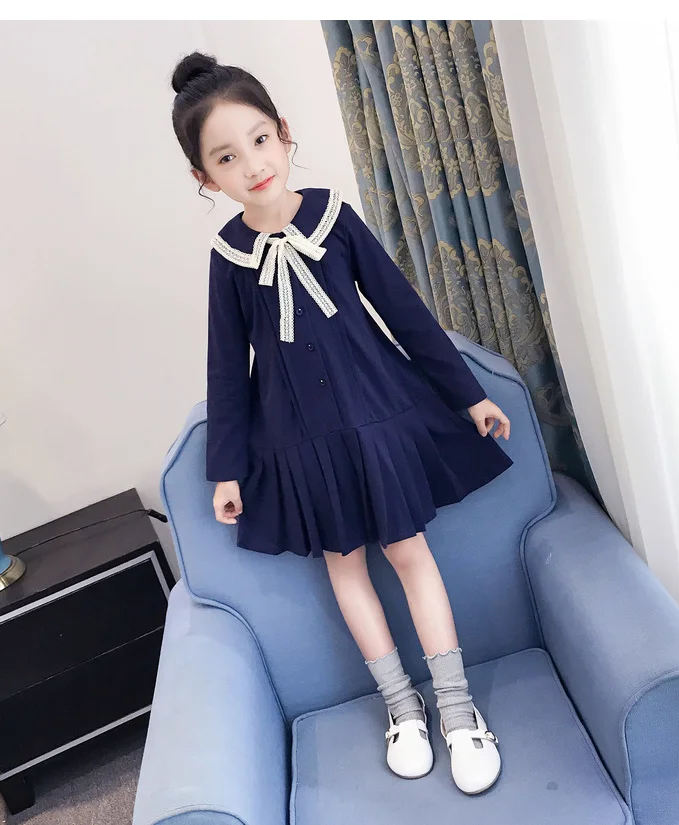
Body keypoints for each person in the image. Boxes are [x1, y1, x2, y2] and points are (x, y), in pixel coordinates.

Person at [170, 50, 514, 796]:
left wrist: (468, 396)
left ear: (284, 133)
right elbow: (226, 369)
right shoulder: (228, 259)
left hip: (377, 418)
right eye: (226, 158)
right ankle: (402, 710)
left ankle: (458, 712)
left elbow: (404, 314)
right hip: (298, 444)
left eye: (260, 140)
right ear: (206, 178)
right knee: (345, 566)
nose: (252, 165)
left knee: (410, 552)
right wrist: (226, 469)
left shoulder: (335, 218)